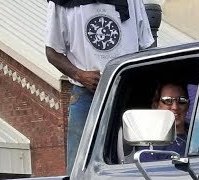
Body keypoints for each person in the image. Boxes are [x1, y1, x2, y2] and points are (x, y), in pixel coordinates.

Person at [45, 0, 155, 170]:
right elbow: (52, 52)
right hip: (86, 95)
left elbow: (148, 46)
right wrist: (79, 75)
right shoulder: (60, 3)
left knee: (138, 164)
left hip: (129, 94)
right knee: (78, 167)